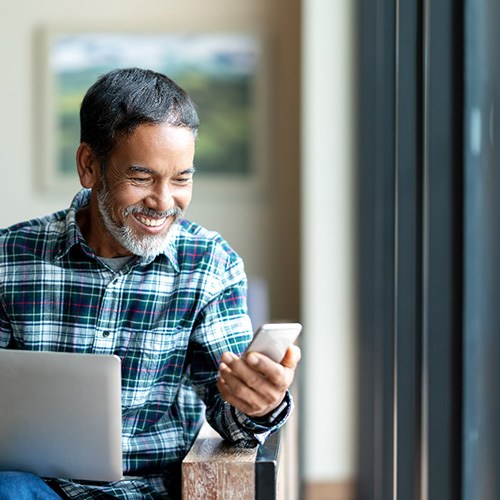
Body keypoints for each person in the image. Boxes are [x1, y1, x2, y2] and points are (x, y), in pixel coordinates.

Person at [0, 68, 300, 499]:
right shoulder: (10, 259)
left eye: (181, 178)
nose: (163, 202)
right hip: (34, 489)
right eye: (141, 177)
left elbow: (231, 419)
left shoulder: (209, 264)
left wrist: (260, 404)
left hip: (151, 491)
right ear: (89, 166)